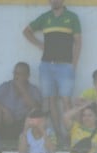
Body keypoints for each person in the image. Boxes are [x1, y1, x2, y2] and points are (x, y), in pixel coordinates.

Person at [23, 0, 82, 142]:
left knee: (66, 100)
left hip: (65, 65)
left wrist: (73, 64)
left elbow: (78, 42)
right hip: (46, 65)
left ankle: (71, 136)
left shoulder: (72, 17)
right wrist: (39, 45)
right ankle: (59, 136)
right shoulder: (45, 17)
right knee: (50, 101)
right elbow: (26, 31)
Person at [0, 62, 43, 141]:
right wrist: (4, 109)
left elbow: (36, 108)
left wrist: (22, 90)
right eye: (15, 73)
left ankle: (27, 143)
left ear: (27, 76)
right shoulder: (5, 86)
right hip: (6, 123)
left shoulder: (33, 89)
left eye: (20, 74)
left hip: (24, 126)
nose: (16, 76)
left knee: (35, 112)